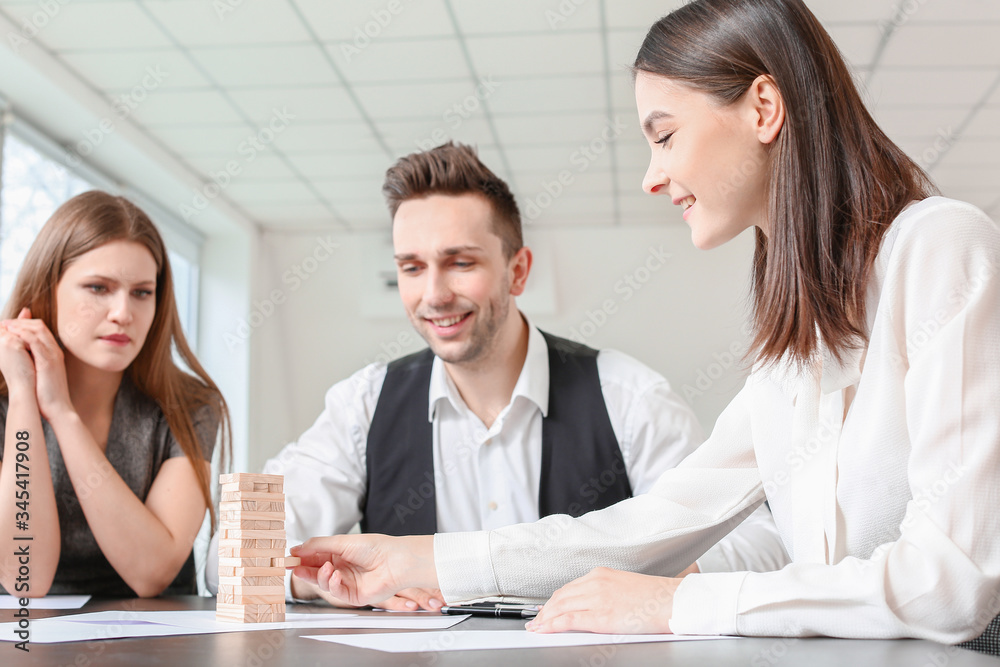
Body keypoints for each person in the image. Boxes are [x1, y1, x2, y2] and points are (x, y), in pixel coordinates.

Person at [290, 0, 1000, 654]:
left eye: (663, 136)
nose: (651, 176)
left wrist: (677, 602)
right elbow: (657, 521)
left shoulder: (940, 249)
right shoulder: (794, 341)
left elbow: (950, 580)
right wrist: (417, 559)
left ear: (762, 107)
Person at [207, 142, 789, 610]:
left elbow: (760, 547)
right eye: (412, 268)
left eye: (461, 263)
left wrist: (633, 569)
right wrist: (321, 584)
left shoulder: (627, 396)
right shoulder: (363, 404)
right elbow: (224, 557)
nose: (434, 294)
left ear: (518, 270)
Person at [0, 190, 230, 598]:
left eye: (142, 292)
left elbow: (152, 571)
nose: (123, 312)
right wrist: (22, 397)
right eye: (98, 288)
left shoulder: (190, 406)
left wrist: (62, 413)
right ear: (46, 290)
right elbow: (26, 576)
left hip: (154, 647)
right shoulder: (6, 401)